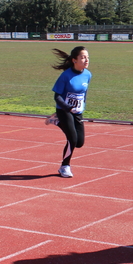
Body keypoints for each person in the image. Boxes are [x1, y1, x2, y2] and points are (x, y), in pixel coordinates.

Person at [51, 46, 92, 178]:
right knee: (72, 140)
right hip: (64, 110)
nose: (86, 60)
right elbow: (57, 96)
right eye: (83, 57)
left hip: (77, 111)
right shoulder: (66, 76)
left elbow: (84, 93)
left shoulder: (87, 74)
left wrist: (82, 105)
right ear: (74, 60)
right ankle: (65, 166)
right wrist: (67, 107)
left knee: (80, 142)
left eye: (87, 57)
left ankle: (56, 121)